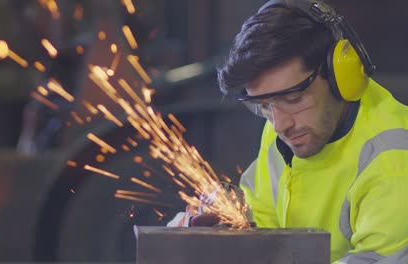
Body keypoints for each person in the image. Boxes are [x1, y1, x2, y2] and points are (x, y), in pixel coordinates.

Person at [167, 0, 408, 263]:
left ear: (341, 76)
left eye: (293, 99)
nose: (280, 125)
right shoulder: (286, 126)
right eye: (264, 105)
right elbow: (262, 220)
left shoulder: (392, 159)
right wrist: (225, 228)